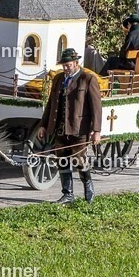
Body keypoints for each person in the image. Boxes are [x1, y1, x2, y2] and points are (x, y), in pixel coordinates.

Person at [37, 48, 102, 204]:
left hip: (79, 129)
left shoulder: (88, 79)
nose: (65, 68)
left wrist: (96, 130)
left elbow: (96, 107)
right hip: (60, 127)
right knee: (62, 160)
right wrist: (43, 125)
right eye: (64, 65)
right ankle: (68, 194)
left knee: (79, 160)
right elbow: (51, 104)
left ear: (76, 63)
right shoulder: (58, 79)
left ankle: (88, 188)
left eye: (68, 65)